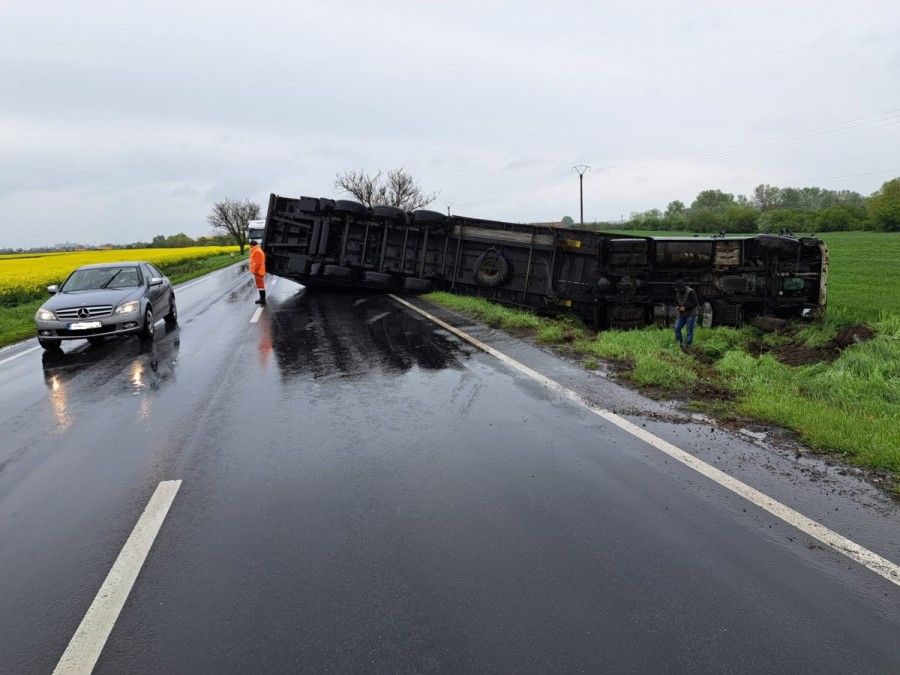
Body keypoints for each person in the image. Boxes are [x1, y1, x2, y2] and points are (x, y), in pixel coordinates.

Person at [673, 279, 699, 348]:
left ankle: (688, 346)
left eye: (676, 288)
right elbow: (675, 301)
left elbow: (695, 303)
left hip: (691, 314)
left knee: (689, 330)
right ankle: (679, 344)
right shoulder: (678, 292)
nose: (675, 289)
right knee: (676, 328)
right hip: (682, 314)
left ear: (680, 287)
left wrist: (685, 308)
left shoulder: (691, 292)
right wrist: (677, 306)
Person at [249, 239, 266, 304]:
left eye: (250, 246)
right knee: (260, 285)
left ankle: (262, 299)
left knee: (260, 285)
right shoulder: (258, 250)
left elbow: (257, 263)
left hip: (258, 271)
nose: (250, 247)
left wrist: (255, 270)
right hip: (259, 271)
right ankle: (262, 298)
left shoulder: (257, 251)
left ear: (252, 245)